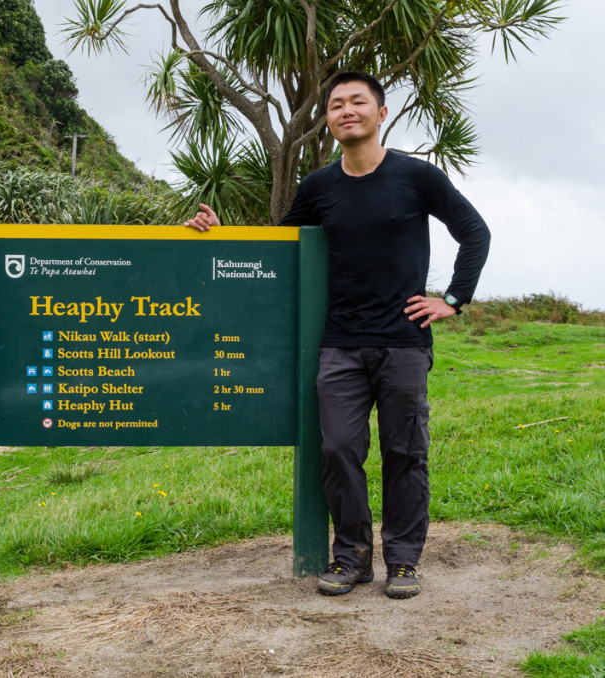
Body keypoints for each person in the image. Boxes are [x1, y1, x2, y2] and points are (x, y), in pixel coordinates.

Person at [184, 70, 491, 599]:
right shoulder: (319, 186)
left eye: (357, 102)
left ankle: (403, 562)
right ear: (327, 121)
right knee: (339, 449)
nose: (346, 110)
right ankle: (350, 557)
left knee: (405, 453)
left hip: (403, 341)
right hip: (340, 343)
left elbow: (473, 232)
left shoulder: (417, 177)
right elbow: (281, 247)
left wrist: (453, 301)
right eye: (335, 105)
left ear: (381, 112)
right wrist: (221, 231)